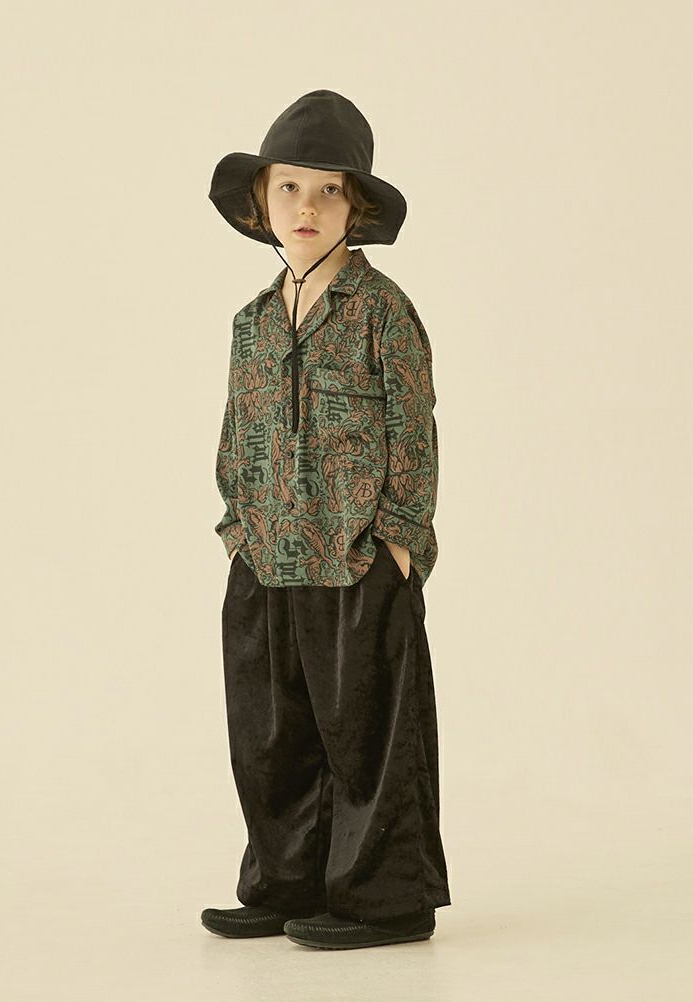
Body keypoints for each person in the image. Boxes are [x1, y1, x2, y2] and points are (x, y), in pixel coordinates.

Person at [201, 89, 451, 950]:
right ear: (261, 201)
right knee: (270, 736)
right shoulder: (252, 322)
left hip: (356, 559)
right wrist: (237, 529)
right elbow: (236, 428)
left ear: (357, 207)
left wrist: (399, 543)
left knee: (368, 738)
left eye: (328, 190)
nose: (306, 206)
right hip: (265, 556)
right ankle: (287, 882)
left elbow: (413, 429)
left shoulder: (382, 310)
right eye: (289, 187)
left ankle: (386, 899)